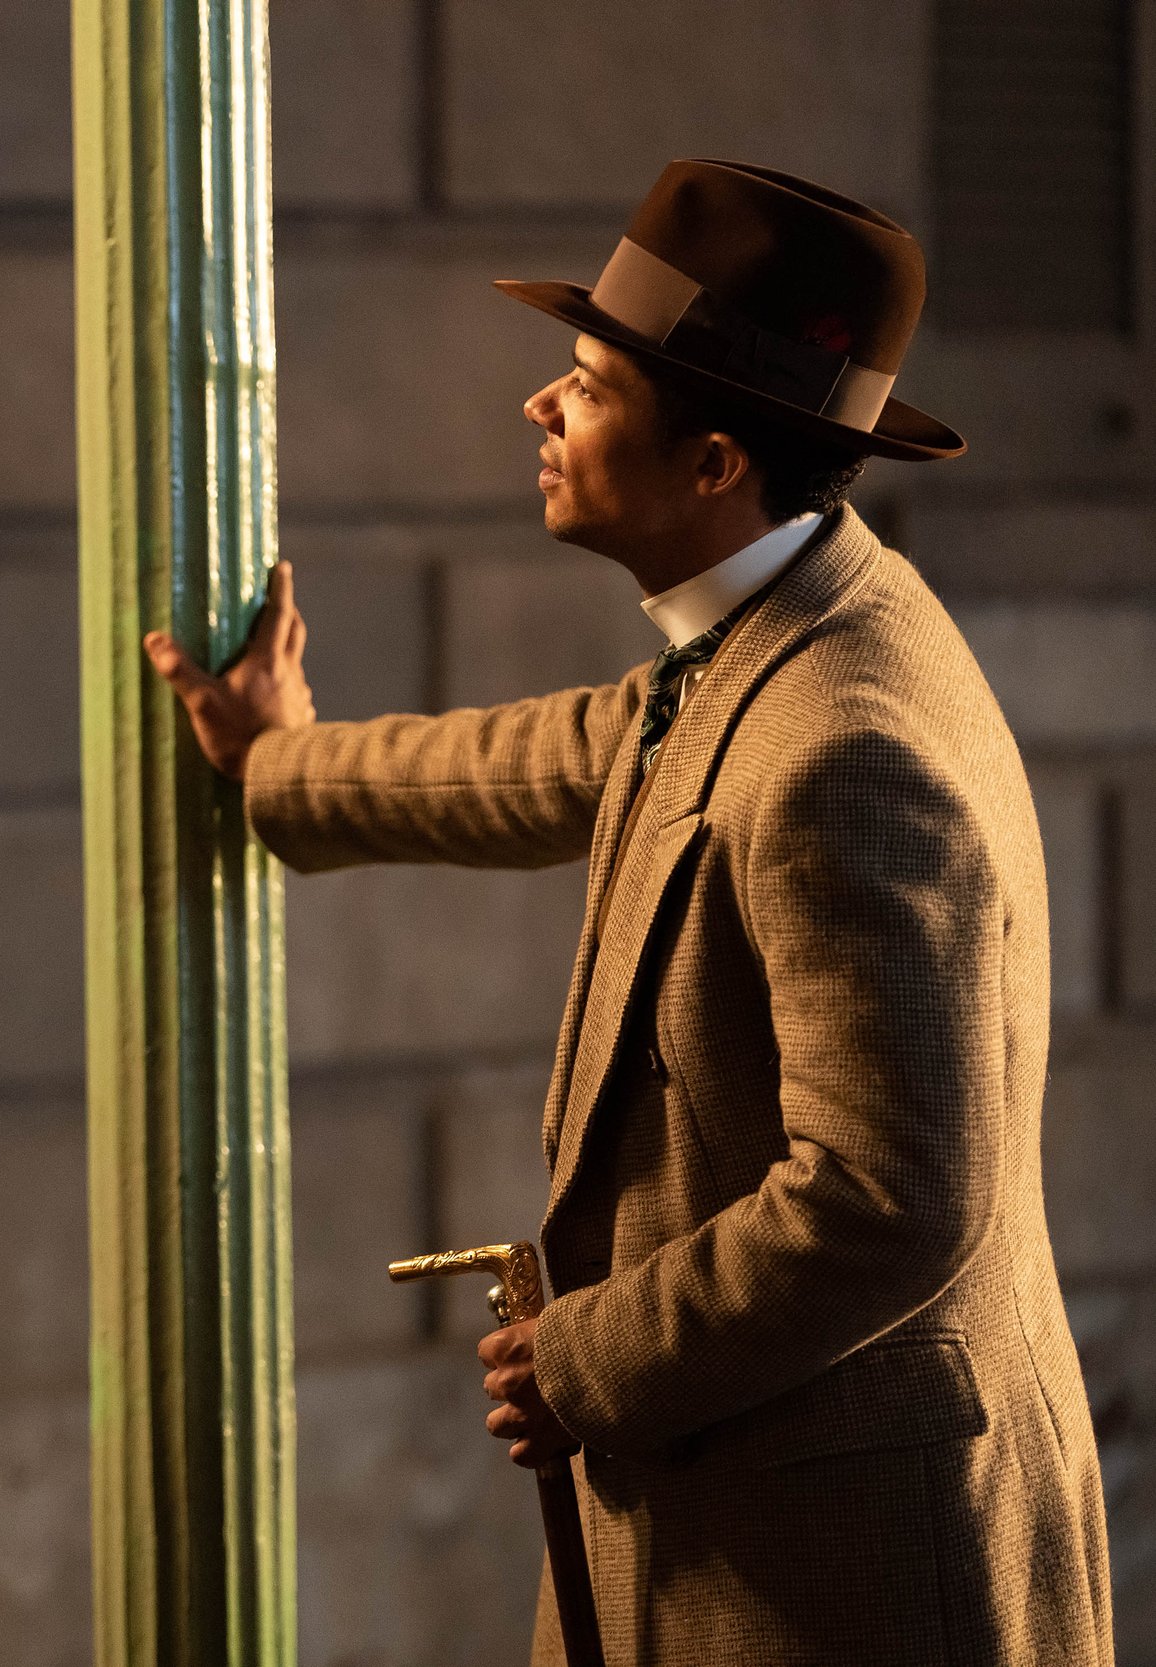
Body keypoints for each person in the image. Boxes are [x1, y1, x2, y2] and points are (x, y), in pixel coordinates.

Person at [147, 159, 1113, 1664]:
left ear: (715, 462)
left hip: (843, 1584)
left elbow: (893, 1199)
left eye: (589, 386)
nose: (540, 406)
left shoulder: (845, 748)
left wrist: (584, 1358)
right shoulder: (783, 627)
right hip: (778, 1530)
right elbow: (571, 755)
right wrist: (280, 764)